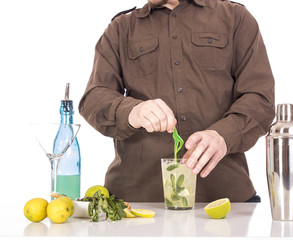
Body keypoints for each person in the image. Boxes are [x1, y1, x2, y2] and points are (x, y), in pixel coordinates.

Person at [79, 0, 275, 202]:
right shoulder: (121, 28)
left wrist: (223, 135)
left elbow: (260, 97)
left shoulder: (236, 18)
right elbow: (93, 98)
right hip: (135, 203)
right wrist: (131, 111)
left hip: (225, 201)